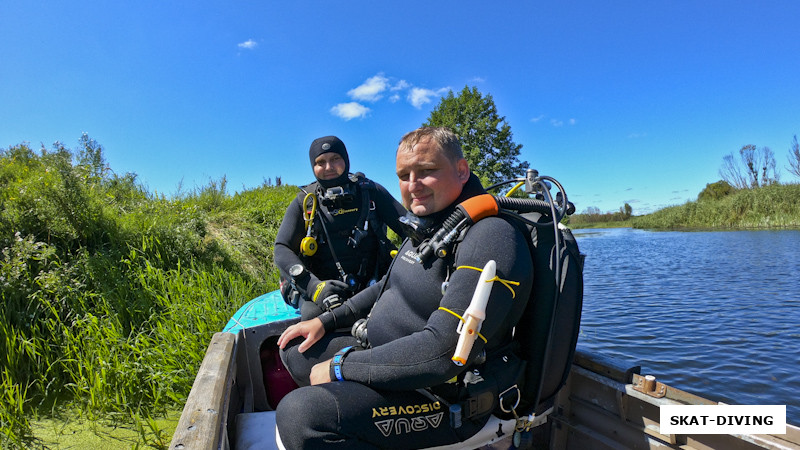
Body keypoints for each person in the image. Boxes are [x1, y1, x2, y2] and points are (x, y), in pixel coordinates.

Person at [275, 127, 534, 449]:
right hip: (392, 357)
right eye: (404, 175)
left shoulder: (490, 236)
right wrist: (323, 321)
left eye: (427, 171)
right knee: (297, 350)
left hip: (445, 392)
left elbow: (444, 353)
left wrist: (342, 367)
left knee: (301, 415)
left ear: (461, 170)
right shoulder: (435, 228)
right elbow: (387, 286)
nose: (413, 185)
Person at [274, 136, 408, 321]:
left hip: (373, 283)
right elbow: (281, 248)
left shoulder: (370, 193)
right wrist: (315, 288)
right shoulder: (306, 202)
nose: (328, 167)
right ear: (313, 166)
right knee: (312, 316)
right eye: (321, 162)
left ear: (346, 160)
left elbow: (409, 229)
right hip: (324, 290)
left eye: (335, 158)